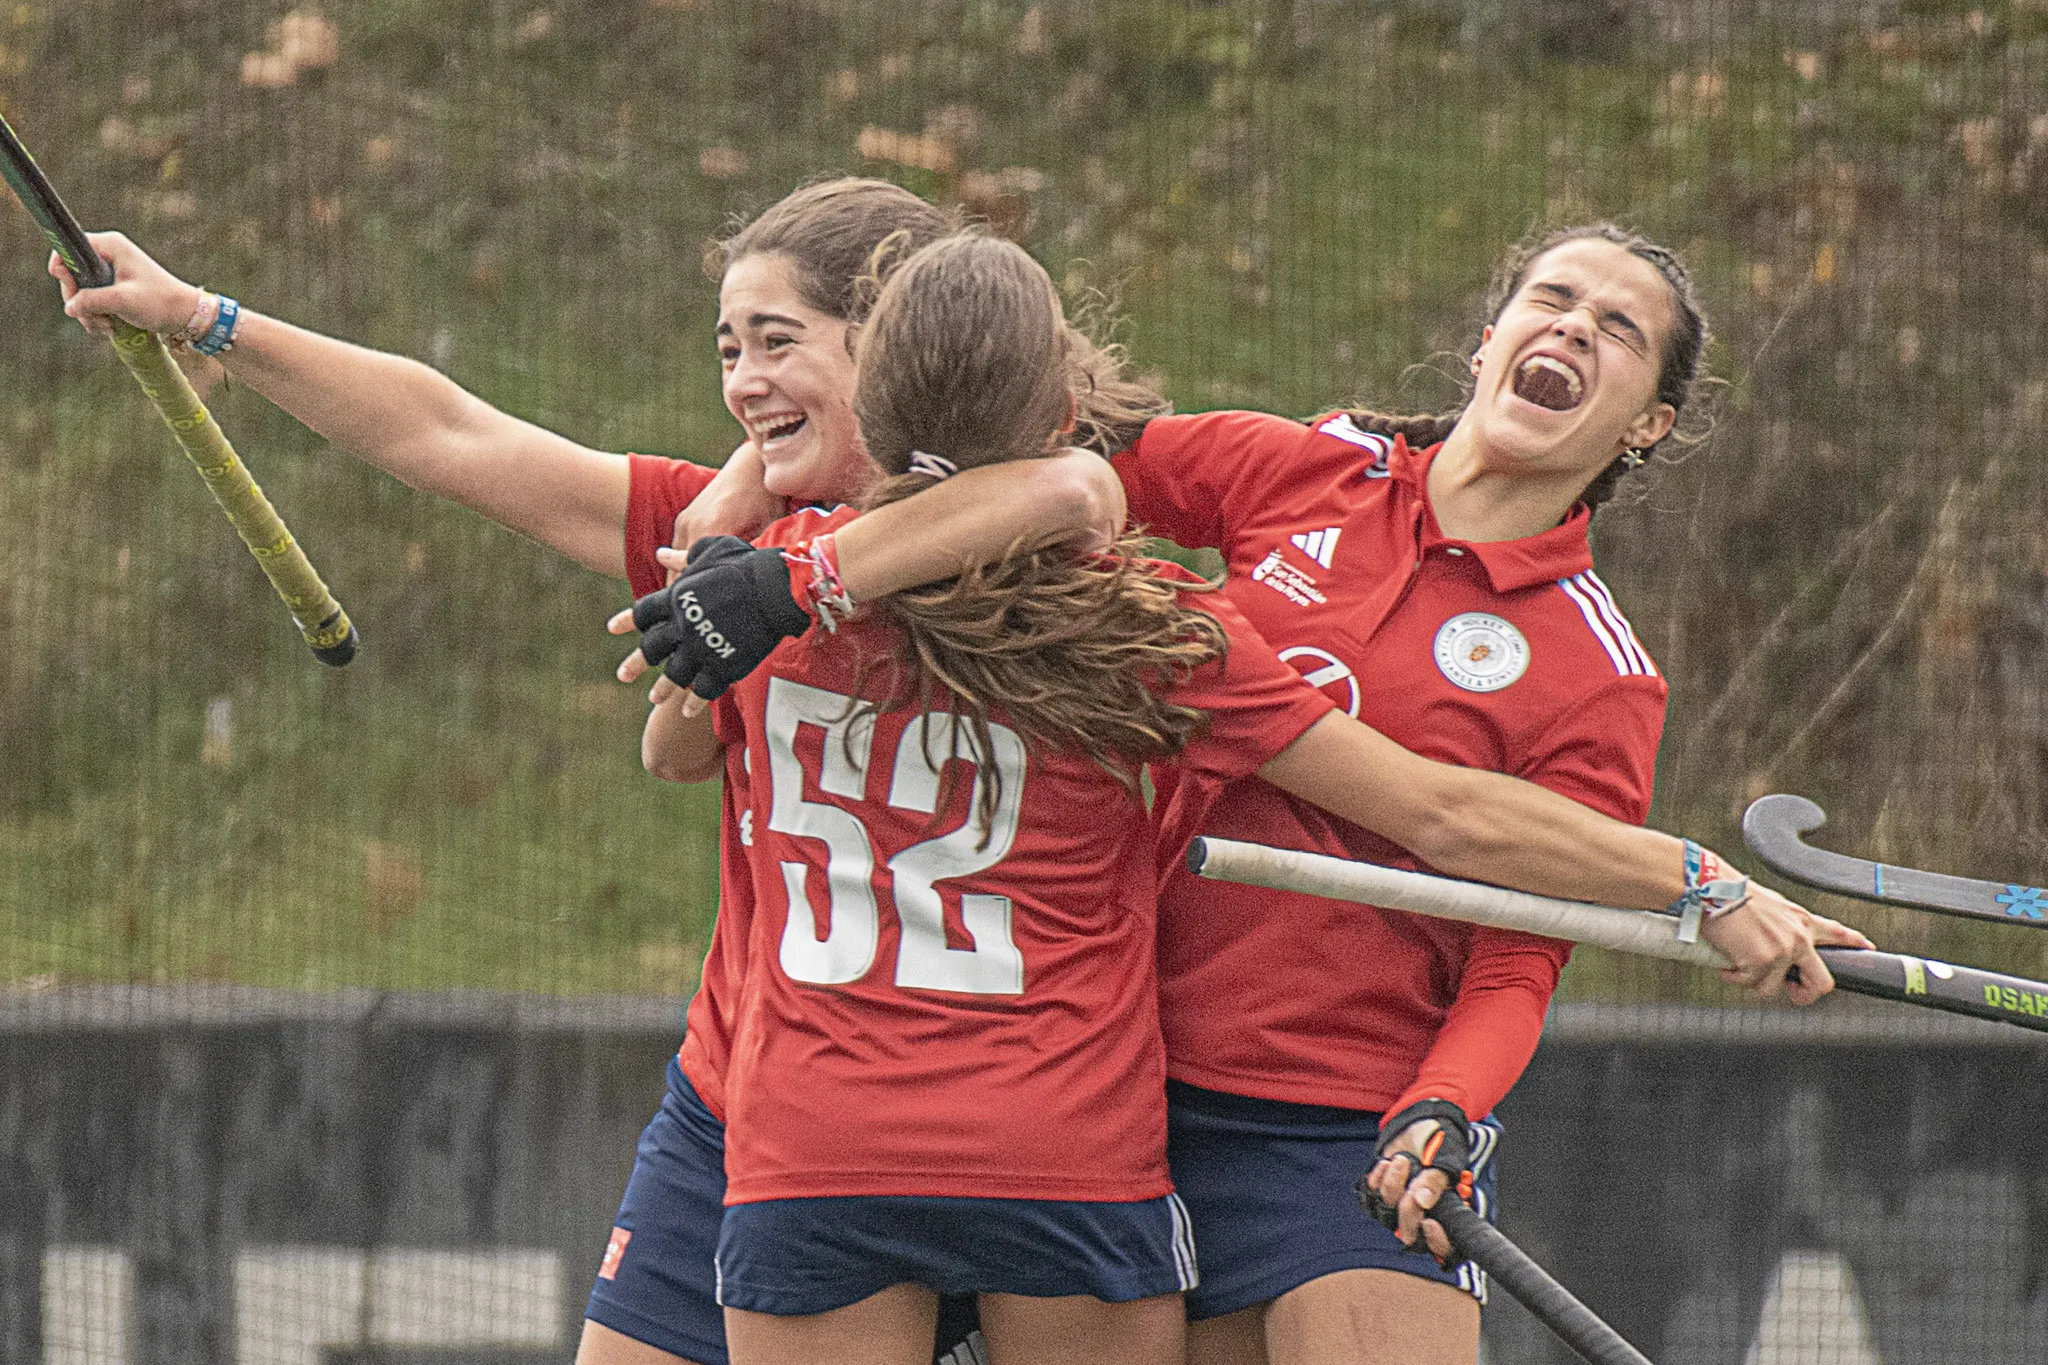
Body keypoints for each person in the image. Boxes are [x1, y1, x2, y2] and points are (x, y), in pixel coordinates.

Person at [617, 222, 1874, 1365]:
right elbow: (1020, 461)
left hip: (1341, 1126)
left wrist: (1448, 1102)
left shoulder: (1596, 671)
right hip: (1131, 1093)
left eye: (1615, 329)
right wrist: (764, 519)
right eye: (1549, 298)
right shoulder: (1288, 474)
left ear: (1648, 419)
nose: (1570, 329)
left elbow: (1513, 947)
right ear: (1488, 337)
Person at [49, 178, 1129, 1365]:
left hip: (1030, 1126)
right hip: (759, 1112)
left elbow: (1071, 484)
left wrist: (782, 554)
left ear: (895, 339)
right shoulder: (733, 553)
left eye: (778, 342)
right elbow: (451, 436)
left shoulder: (1065, 575)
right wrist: (203, 317)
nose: (743, 380)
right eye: (729, 348)